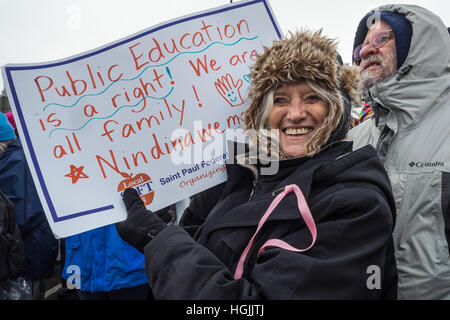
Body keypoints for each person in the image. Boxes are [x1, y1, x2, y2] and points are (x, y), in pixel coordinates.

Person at [115, 30, 397, 300]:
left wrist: (159, 240)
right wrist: (168, 226)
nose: (295, 114)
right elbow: (213, 252)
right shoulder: (248, 176)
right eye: (280, 99)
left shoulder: (356, 204)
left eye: (313, 97)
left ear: (339, 106)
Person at [349, 5, 450, 299]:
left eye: (381, 39)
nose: (366, 50)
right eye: (362, 44)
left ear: (417, 48)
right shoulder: (353, 138)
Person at [0, 112, 58, 299]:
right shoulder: (18, 159)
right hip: (28, 256)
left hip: (22, 262)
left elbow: (16, 218)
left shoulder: (14, 163)